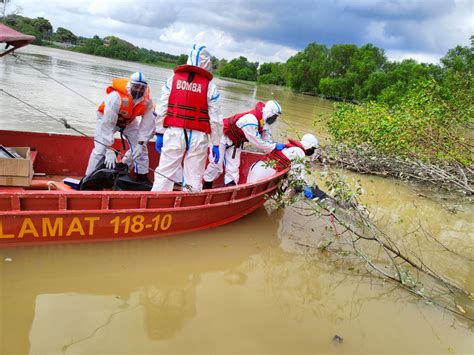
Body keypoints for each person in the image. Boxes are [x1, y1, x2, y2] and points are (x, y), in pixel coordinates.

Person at [152, 44, 223, 192]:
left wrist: (159, 133)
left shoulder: (173, 79)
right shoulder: (210, 86)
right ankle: (189, 205)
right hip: (198, 137)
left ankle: (157, 205)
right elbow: (215, 120)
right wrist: (215, 143)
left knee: (164, 174)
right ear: (207, 63)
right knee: (193, 177)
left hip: (174, 133)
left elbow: (161, 109)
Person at [85, 72, 155, 181]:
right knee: (100, 149)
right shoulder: (115, 97)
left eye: (142, 88)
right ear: (130, 85)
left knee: (141, 148)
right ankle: (88, 178)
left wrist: (141, 143)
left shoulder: (147, 101)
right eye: (136, 86)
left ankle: (140, 175)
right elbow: (107, 125)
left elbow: (148, 123)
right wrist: (109, 150)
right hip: (106, 119)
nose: (139, 90)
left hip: (129, 121)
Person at [202, 99, 285, 188]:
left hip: (236, 143)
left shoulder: (264, 122)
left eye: (275, 118)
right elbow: (258, 142)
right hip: (221, 137)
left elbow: (266, 138)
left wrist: (274, 148)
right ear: (269, 113)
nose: (274, 119)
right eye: (274, 117)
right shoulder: (250, 120)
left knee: (233, 170)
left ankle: (228, 190)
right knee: (216, 165)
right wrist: (274, 146)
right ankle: (206, 187)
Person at [247, 133, 327, 199]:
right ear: (310, 147)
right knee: (298, 187)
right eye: (313, 149)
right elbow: (297, 177)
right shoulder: (299, 152)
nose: (313, 151)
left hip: (256, 168)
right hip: (263, 175)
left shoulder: (289, 148)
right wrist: (307, 189)